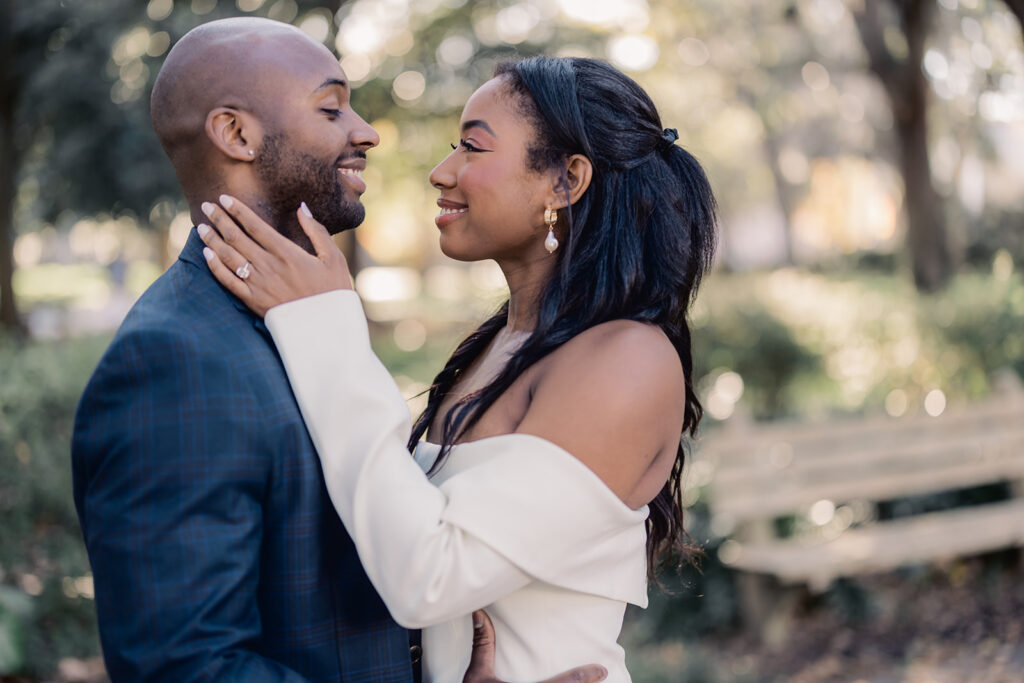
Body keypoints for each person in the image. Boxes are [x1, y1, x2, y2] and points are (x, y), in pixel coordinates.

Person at [72, 18, 603, 683]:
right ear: (236, 134)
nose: (367, 131)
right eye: (331, 108)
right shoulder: (174, 358)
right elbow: (184, 667)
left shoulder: (301, 320)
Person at [197, 56, 718, 682]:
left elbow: (430, 576)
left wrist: (324, 327)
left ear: (564, 181)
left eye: (472, 147)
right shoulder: (500, 345)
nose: (441, 172)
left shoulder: (626, 360)